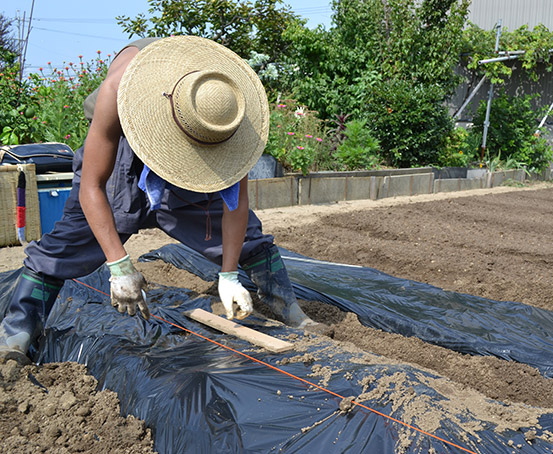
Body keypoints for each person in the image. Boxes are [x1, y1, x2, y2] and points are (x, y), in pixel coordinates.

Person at [0, 35, 316, 364]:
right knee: (70, 241)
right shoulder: (118, 91)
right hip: (125, 146)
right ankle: (17, 332)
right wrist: (119, 266)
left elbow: (235, 204)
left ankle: (290, 310)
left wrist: (229, 275)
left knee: (246, 238)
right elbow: (92, 186)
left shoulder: (227, 115)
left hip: (199, 154)